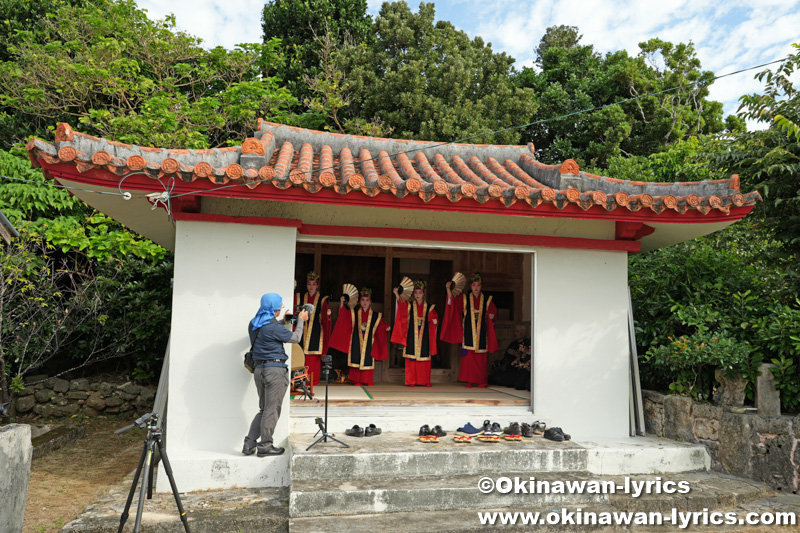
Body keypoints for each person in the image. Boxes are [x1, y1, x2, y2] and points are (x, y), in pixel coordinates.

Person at [242, 293, 308, 457]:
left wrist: (284, 322)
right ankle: (265, 445)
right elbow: (296, 337)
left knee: (264, 409)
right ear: (275, 309)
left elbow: (268, 330)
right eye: (279, 305)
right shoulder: (274, 328)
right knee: (272, 410)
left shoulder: (254, 324)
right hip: (274, 371)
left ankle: (249, 444)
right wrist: (301, 320)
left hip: (259, 370)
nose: (281, 307)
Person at [440, 272, 498, 388]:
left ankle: (482, 381)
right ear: (470, 286)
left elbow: (493, 312)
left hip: (482, 334)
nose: (476, 288)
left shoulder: (487, 299)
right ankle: (470, 381)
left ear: (481, 286)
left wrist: (492, 316)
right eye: (474, 285)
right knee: (469, 359)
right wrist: (448, 289)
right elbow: (453, 303)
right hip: (468, 334)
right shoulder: (464, 298)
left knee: (481, 359)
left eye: (478, 285)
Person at [329, 287, 390, 386]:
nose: (365, 302)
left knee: (368, 358)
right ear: (359, 301)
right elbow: (344, 317)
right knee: (355, 357)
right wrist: (341, 304)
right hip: (356, 342)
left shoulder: (375, 315)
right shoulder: (354, 313)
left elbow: (380, 325)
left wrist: (386, 327)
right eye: (363, 300)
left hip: (368, 343)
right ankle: (356, 380)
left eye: (367, 300)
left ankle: (366, 380)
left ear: (370, 302)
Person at [391, 280, 439, 387]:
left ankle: (425, 381)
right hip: (412, 336)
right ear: (413, 294)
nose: (418, 295)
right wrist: (397, 295)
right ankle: (411, 381)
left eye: (420, 292)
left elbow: (433, 316)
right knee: (411, 359)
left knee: (424, 359)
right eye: (416, 292)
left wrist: (434, 320)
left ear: (424, 294)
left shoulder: (429, 307)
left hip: (424, 336)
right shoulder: (410, 306)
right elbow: (402, 308)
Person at [294, 271, 332, 385]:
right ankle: (300, 379)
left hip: (315, 332)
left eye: (313, 284)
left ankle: (313, 379)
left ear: (317, 285)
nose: (311, 286)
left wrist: (328, 314)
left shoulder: (322, 299)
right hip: (302, 330)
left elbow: (325, 317)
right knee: (301, 355)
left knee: (313, 357)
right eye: (309, 284)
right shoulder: (299, 297)